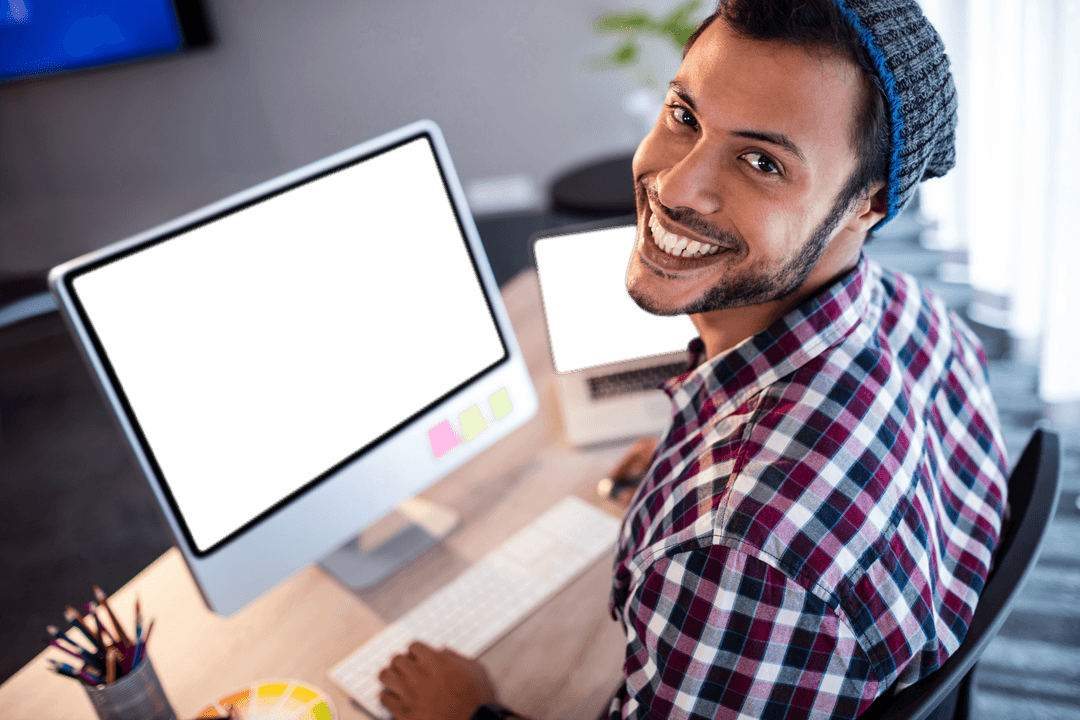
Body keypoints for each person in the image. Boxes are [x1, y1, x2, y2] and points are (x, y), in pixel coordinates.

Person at [375, 0, 1008, 718]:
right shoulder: (917, 312)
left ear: (867, 203)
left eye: (761, 161)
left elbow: (762, 542)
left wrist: (472, 716)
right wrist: (688, 456)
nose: (673, 188)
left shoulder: (739, 558)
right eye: (685, 116)